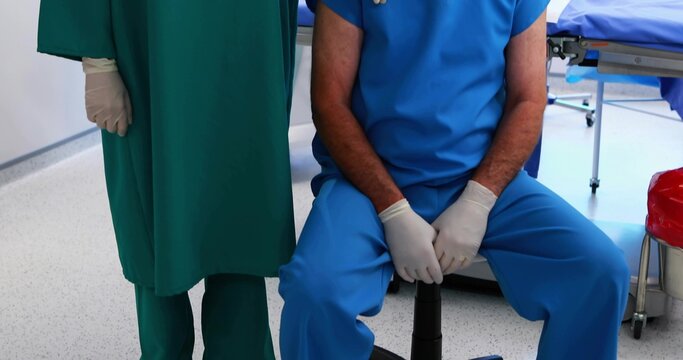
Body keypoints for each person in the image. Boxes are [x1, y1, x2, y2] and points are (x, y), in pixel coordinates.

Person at [278, 1, 630, 359]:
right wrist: (392, 209)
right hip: (368, 182)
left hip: (480, 180)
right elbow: (329, 102)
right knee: (314, 293)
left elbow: (529, 99)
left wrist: (478, 200)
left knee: (600, 271)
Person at [37, 0, 298, 358]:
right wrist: (96, 57)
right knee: (152, 216)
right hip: (150, 34)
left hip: (249, 38)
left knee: (240, 217)